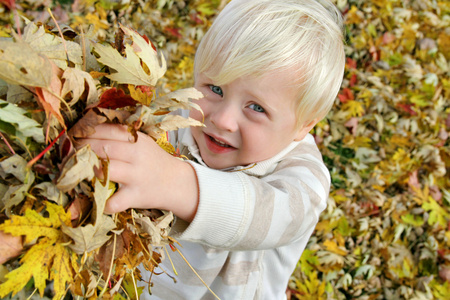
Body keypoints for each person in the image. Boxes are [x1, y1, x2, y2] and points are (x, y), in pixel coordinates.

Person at [1, 0, 345, 298]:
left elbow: (272, 218)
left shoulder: (303, 179)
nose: (222, 119)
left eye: (256, 108)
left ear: (305, 124)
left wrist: (173, 181)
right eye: (215, 88)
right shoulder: (183, 117)